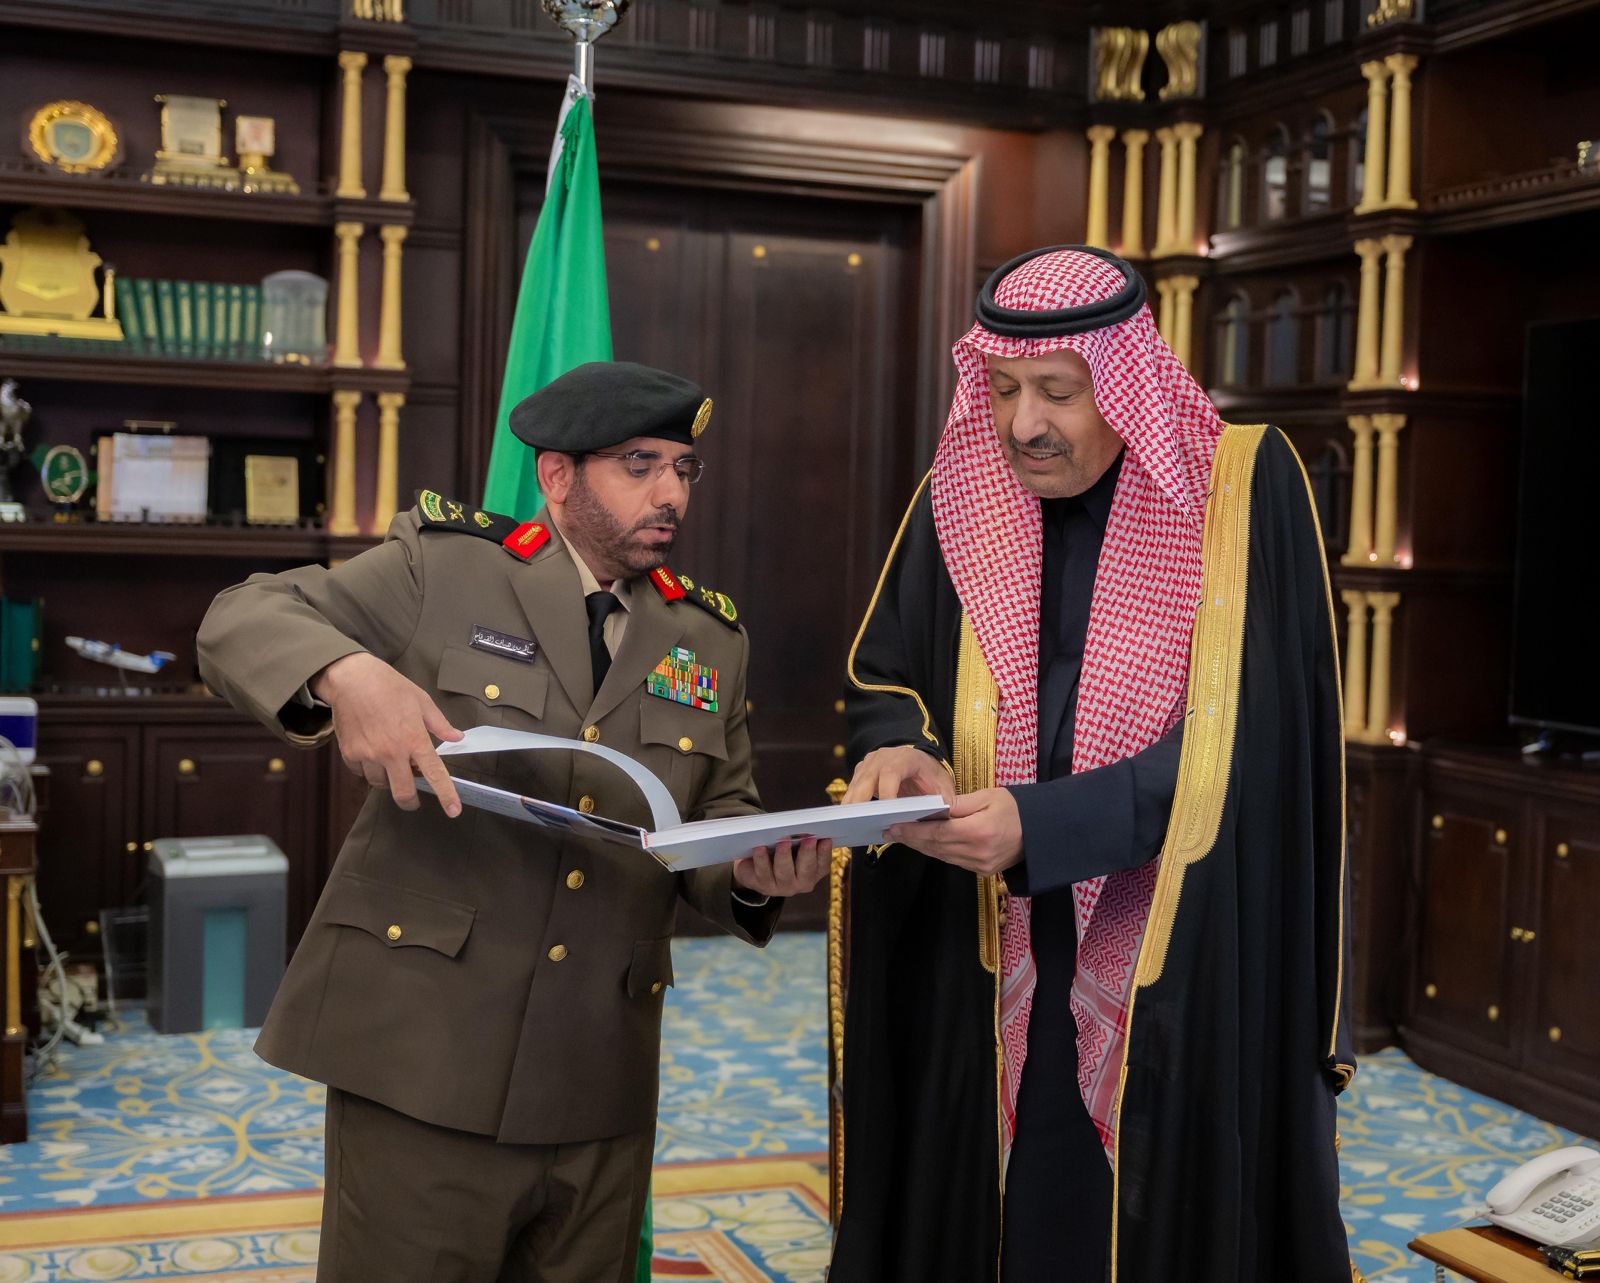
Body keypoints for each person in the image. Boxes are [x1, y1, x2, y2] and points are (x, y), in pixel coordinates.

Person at [197, 360, 826, 1283]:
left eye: (684, 468)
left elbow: (714, 812)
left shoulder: (708, 638)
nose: (671, 493)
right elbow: (238, 616)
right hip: (426, 1053)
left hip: (600, 1071)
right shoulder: (446, 567)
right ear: (558, 475)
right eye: (640, 464)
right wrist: (346, 673)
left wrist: (749, 872)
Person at [828, 246, 1354, 1282]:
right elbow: (884, 672)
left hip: (1174, 929)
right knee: (999, 1202)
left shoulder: (1242, 490)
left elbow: (1257, 734)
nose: (1023, 422)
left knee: (1124, 1206)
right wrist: (899, 744)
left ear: (1123, 385)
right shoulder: (961, 488)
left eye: (1057, 392)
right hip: (985, 929)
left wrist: (1048, 824)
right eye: (1001, 389)